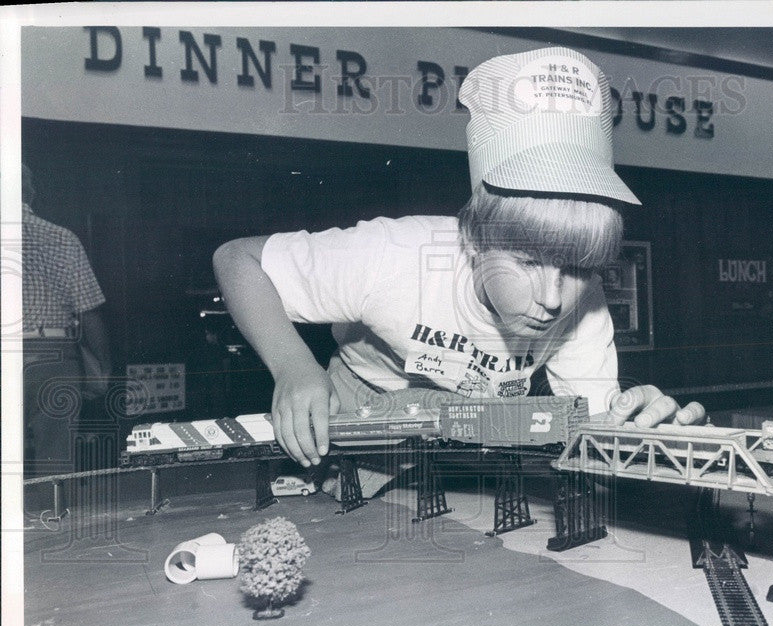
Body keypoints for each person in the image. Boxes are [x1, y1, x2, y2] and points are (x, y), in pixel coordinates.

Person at [214, 46, 702, 479]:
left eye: (574, 267)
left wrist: (650, 432)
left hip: (473, 429)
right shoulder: (394, 253)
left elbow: (594, 442)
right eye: (528, 262)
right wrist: (293, 366)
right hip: (358, 407)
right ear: (474, 238)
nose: (552, 300)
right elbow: (238, 259)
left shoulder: (585, 305)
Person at [21, 163, 112, 476]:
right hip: (57, 355)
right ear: (31, 193)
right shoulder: (62, 238)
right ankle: (53, 516)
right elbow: (89, 311)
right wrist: (103, 363)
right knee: (56, 454)